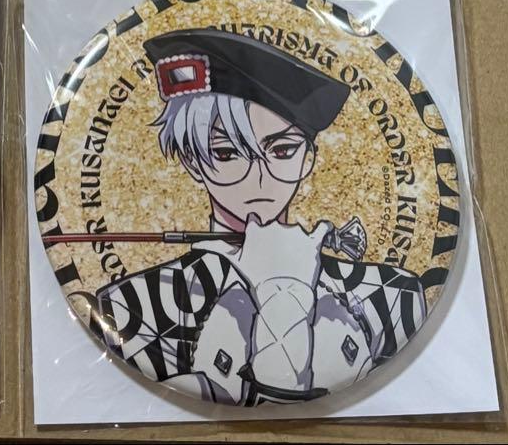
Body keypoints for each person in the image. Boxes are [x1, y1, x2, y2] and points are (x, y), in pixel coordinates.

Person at [93, 29, 426, 405]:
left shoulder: (390, 295)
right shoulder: (130, 306)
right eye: (227, 153)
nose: (260, 177)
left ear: (308, 158)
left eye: (282, 151)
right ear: (192, 162)